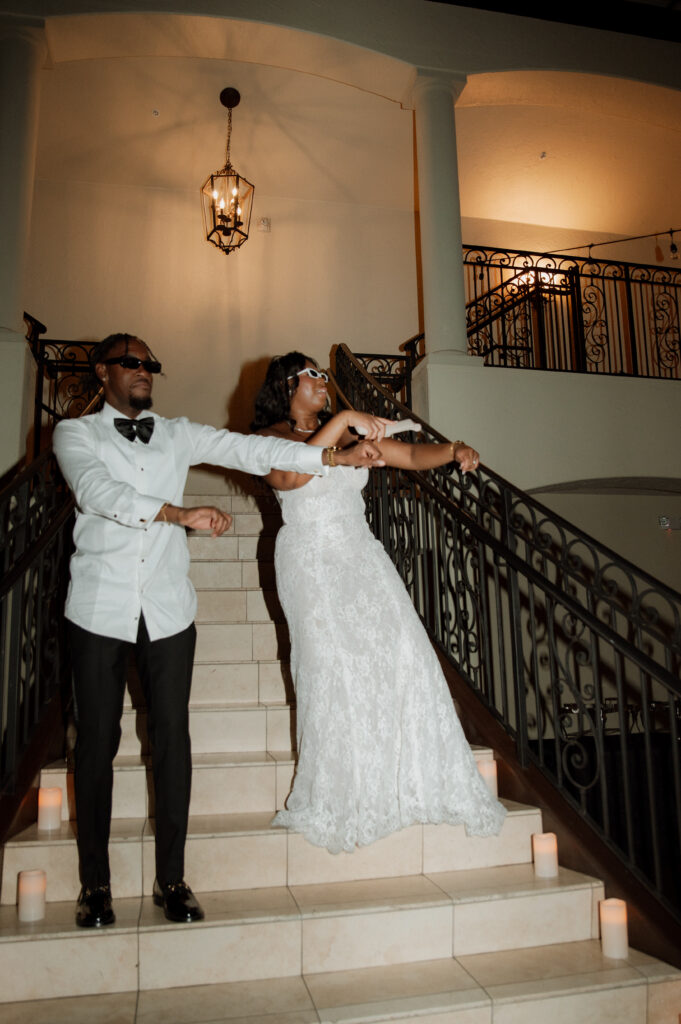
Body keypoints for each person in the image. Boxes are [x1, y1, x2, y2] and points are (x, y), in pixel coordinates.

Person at [53, 333, 384, 928]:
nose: (144, 370)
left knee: (173, 741)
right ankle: (95, 884)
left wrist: (334, 454)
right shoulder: (74, 434)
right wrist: (177, 514)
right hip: (99, 607)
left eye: (150, 363)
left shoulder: (177, 432)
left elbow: (250, 451)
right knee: (97, 743)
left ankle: (172, 880)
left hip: (168, 608)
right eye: (131, 361)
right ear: (103, 371)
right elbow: (98, 492)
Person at [251, 351, 507, 854]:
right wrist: (346, 420)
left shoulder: (347, 434)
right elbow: (290, 478)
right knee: (330, 669)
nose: (323, 381)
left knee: (408, 649)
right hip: (310, 558)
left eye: (324, 375)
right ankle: (343, 791)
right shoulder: (267, 439)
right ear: (285, 386)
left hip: (360, 551)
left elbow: (407, 455)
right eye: (312, 375)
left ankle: (413, 777)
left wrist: (453, 449)